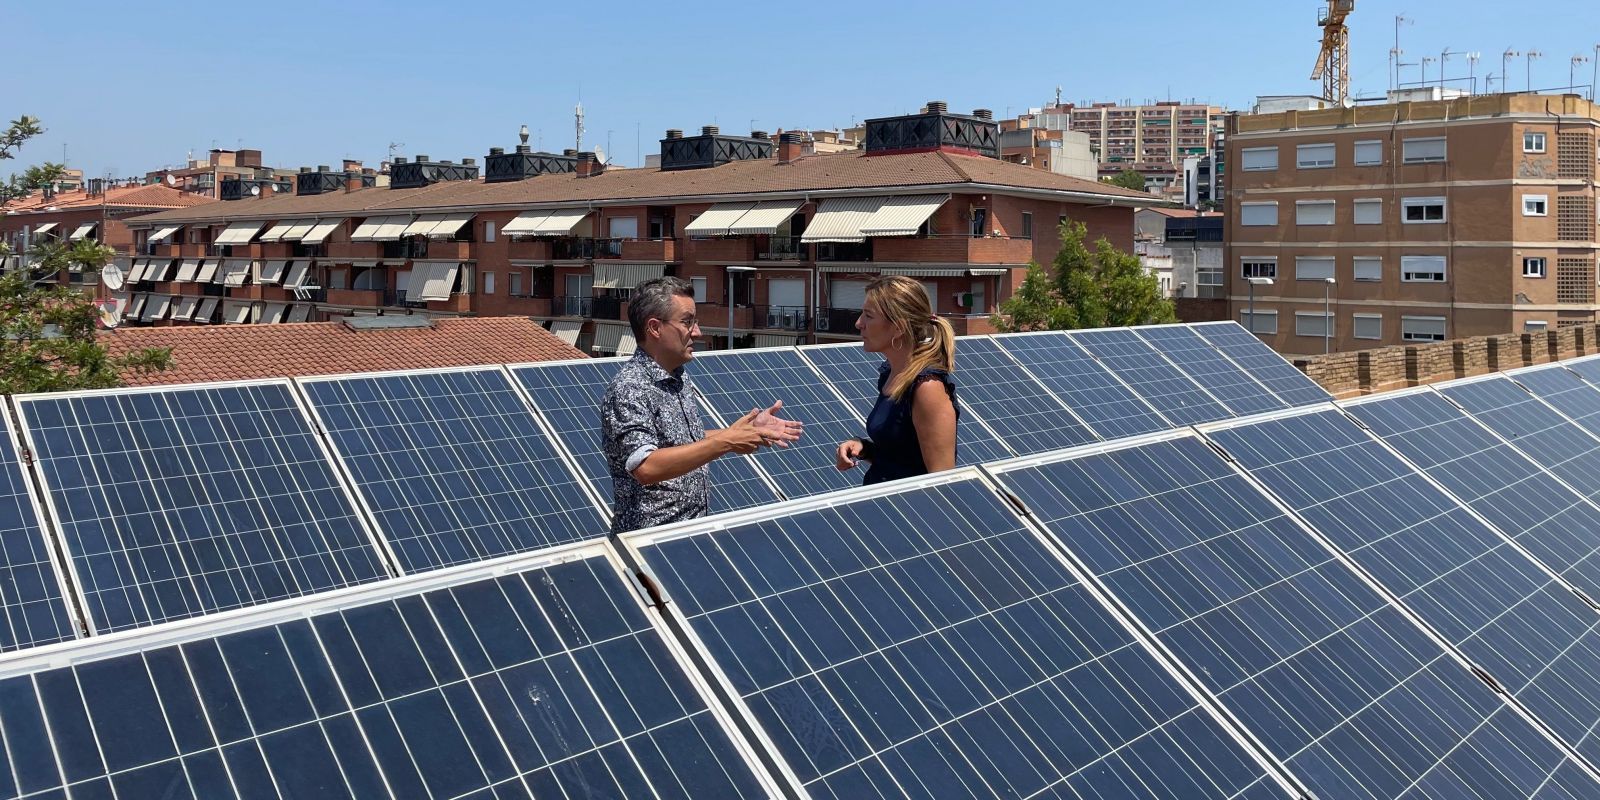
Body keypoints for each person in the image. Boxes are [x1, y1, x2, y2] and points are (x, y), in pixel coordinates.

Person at [601, 277, 803, 534]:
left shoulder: (677, 376)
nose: (697, 332)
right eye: (687, 322)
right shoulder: (630, 388)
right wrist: (726, 442)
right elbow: (645, 466)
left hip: (688, 534)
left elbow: (681, 442)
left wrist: (744, 431)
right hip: (651, 543)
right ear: (654, 327)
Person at [834, 275, 958, 484]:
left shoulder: (927, 389)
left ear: (898, 328)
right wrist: (864, 448)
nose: (858, 323)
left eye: (868, 316)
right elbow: (900, 459)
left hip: (908, 512)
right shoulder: (891, 375)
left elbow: (941, 481)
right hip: (882, 506)